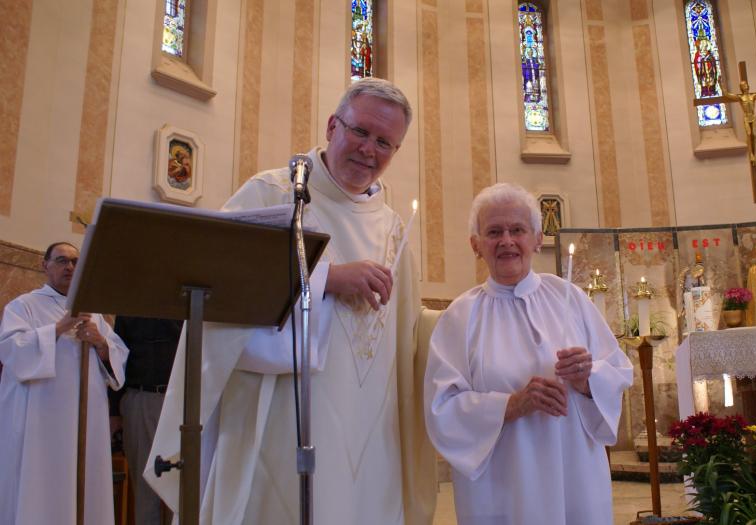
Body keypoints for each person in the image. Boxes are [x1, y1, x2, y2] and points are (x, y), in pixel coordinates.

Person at [145, 78, 435, 525]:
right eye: (360, 132)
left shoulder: (394, 227)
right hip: (281, 416)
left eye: (385, 142)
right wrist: (327, 279)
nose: (369, 150)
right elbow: (218, 285)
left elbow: (408, 332)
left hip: (373, 429)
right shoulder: (273, 194)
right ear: (331, 126)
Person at [423, 183, 634, 524]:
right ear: (476, 245)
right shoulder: (460, 317)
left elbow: (619, 373)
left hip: (574, 475)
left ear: (537, 238)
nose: (507, 241)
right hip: (503, 485)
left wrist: (587, 379)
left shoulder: (570, 298)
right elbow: (441, 409)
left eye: (517, 230)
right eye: (494, 232)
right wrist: (511, 405)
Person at [0, 241, 129, 524]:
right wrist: (60, 327)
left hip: (86, 424)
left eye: (74, 261)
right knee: (41, 487)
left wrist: (100, 343)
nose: (69, 267)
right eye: (61, 260)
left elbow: (118, 358)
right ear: (44, 265)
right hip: (41, 425)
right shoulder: (24, 306)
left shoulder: (93, 313)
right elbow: (12, 350)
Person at [113, 316, 182, 525]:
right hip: (140, 396)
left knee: (180, 489)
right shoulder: (130, 298)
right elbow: (118, 356)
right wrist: (114, 411)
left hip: (180, 399)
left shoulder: (185, 292)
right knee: (144, 492)